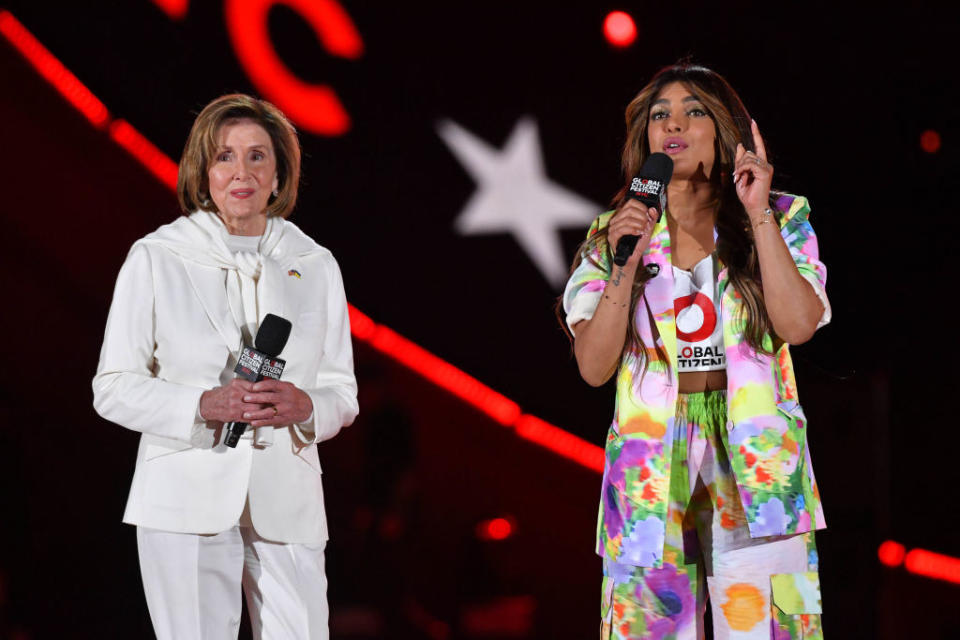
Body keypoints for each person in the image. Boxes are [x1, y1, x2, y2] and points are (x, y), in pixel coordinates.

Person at [561, 64, 830, 639]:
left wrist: (758, 214)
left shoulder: (782, 215)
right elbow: (592, 366)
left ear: (725, 128)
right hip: (648, 471)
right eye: (660, 115)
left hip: (756, 460)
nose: (673, 124)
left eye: (694, 110)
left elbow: (800, 323)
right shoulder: (613, 232)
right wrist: (624, 264)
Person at [93, 94, 358, 640]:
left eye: (257, 156)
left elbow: (342, 392)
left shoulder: (315, 263)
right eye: (224, 157)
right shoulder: (157, 256)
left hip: (288, 498)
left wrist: (308, 406)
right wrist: (200, 404)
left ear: (279, 173)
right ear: (203, 171)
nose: (241, 172)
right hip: (184, 495)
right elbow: (112, 387)